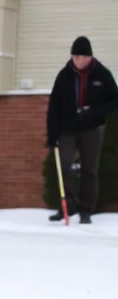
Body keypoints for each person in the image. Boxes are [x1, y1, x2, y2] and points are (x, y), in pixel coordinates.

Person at [46, 36, 118, 224]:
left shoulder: (102, 74)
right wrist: (52, 134)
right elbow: (54, 106)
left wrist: (94, 111)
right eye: (76, 57)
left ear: (90, 57)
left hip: (92, 128)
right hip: (68, 127)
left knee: (89, 169)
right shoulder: (65, 75)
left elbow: (114, 100)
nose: (79, 61)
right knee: (63, 165)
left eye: (83, 57)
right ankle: (68, 206)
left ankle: (86, 209)